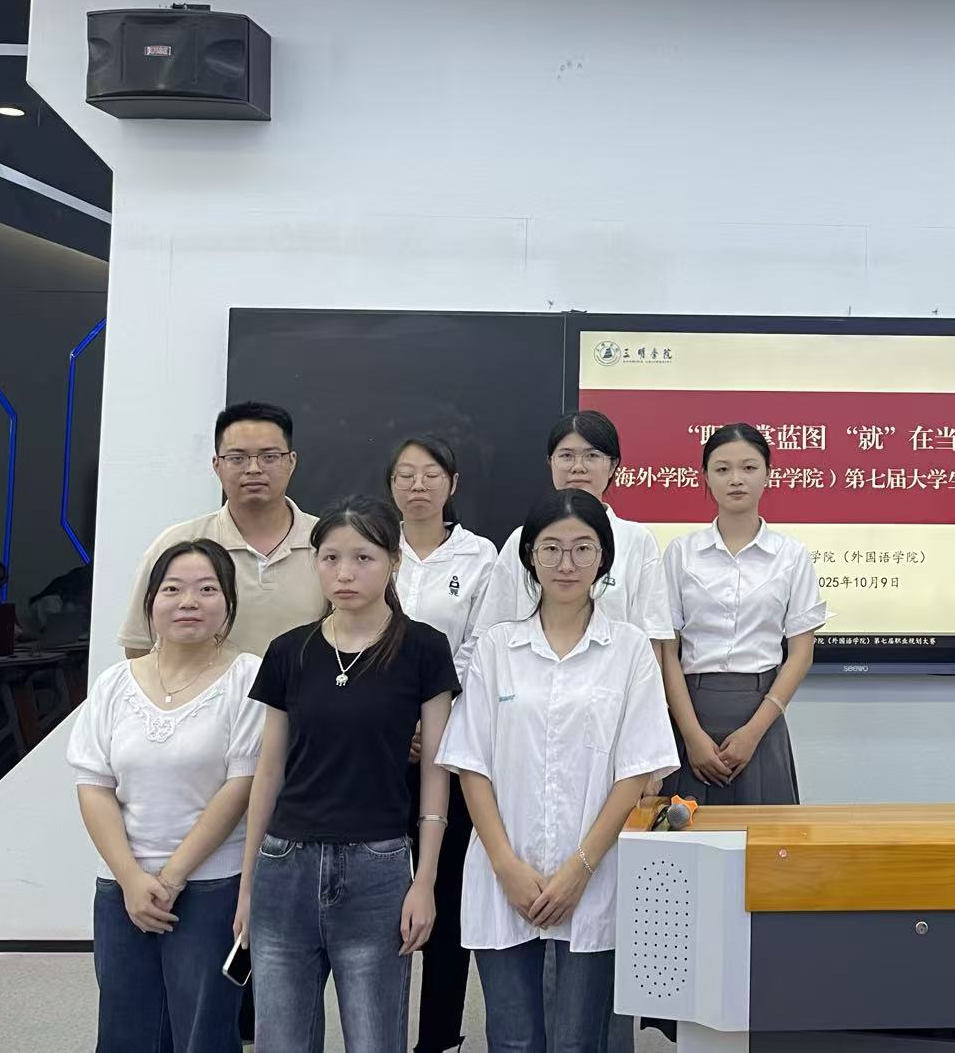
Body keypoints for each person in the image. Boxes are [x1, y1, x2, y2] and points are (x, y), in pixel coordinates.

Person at [437, 488, 678, 1053]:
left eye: (582, 548)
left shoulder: (630, 649)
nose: (566, 563)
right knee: (513, 1041)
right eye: (551, 548)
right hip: (503, 875)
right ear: (530, 557)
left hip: (593, 876)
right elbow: (471, 763)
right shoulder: (497, 647)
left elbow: (635, 772)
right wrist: (505, 866)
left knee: (579, 1041)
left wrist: (579, 869)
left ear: (603, 558)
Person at [236, 497, 459, 1053]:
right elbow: (269, 772)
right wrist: (247, 885)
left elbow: (436, 772)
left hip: (377, 866)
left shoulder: (423, 648)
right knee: (280, 1042)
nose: (344, 573)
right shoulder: (289, 651)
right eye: (331, 558)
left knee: (375, 1040)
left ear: (393, 563)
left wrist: (425, 881)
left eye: (363, 558)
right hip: (284, 864)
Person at [67, 537, 263, 1053]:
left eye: (207, 589)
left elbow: (241, 786)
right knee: (124, 1030)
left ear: (228, 603)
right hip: (122, 887)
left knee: (204, 1032)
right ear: (151, 602)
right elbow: (93, 785)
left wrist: (172, 877)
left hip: (211, 886)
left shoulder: (249, 677)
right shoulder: (114, 683)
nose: (189, 602)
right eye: (173, 589)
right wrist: (132, 879)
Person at [387, 436, 497, 1053]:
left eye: (430, 474)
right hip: (377, 745)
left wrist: (435, 721)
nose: (418, 485)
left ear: (452, 484)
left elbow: (481, 648)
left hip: (450, 745)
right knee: (380, 893)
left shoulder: (480, 556)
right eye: (405, 474)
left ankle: (439, 1038)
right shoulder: (375, 548)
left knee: (446, 894)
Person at [662, 423, 826, 805]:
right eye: (722, 469)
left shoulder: (791, 556)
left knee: (768, 836)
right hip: (691, 713)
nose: (736, 479)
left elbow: (801, 654)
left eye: (749, 467)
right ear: (705, 477)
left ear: (768, 474)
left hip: (762, 714)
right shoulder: (680, 553)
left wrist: (753, 733)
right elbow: (667, 650)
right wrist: (691, 735)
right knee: (686, 836)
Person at [463, 410, 671, 674]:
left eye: (591, 456)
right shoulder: (521, 539)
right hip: (528, 683)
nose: (578, 467)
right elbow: (489, 631)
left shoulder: (638, 541)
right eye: (566, 456)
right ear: (550, 462)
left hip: (610, 685)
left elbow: (651, 640)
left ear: (613, 465)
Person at [119, 402, 325, 659]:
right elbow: (139, 647)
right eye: (237, 458)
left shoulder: (327, 543)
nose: (254, 469)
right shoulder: (177, 544)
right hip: (206, 686)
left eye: (269, 457)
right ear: (217, 465)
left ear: (291, 462)